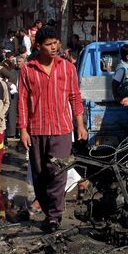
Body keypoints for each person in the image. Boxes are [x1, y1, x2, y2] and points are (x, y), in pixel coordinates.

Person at [18, 26, 87, 232]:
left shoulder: (67, 68)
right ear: (38, 46)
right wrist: (23, 130)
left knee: (57, 172)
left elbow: (75, 97)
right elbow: (21, 101)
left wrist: (80, 125)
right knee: (39, 176)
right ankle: (49, 212)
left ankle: (55, 216)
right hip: (36, 130)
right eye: (49, 44)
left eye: (56, 42)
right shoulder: (28, 69)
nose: (54, 47)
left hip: (62, 129)